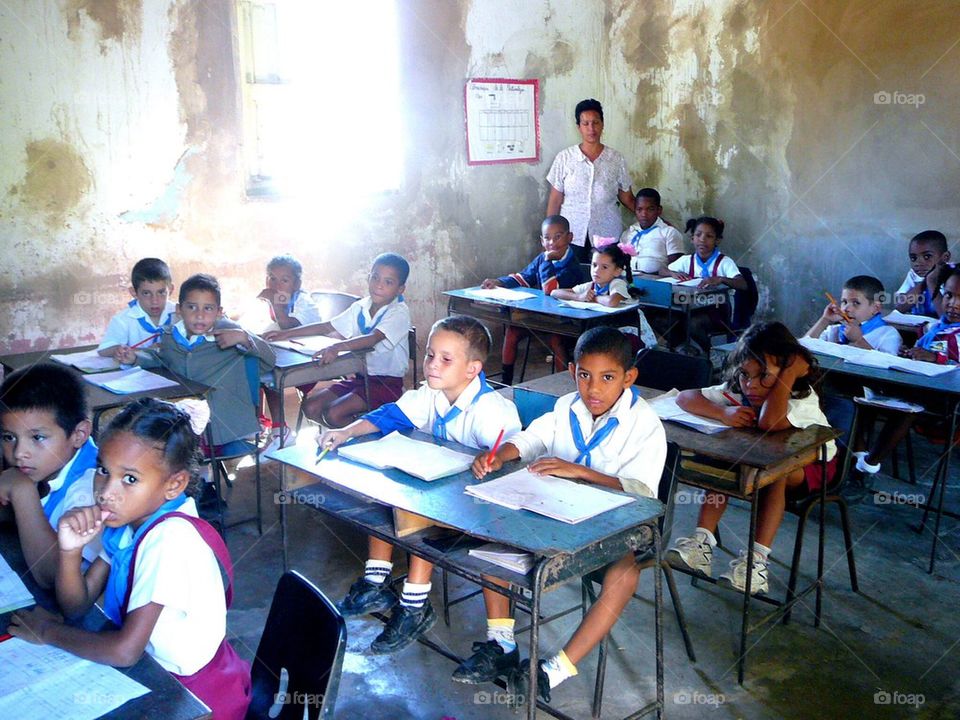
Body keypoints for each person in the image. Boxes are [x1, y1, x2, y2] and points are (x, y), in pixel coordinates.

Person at [7, 398, 251, 719]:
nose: (106, 491)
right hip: (156, 673)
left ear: (174, 484)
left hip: (196, 697)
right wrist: (69, 551)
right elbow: (77, 606)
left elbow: (125, 651)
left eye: (130, 479)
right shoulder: (131, 523)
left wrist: (49, 634)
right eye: (103, 470)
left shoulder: (169, 539)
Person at [461, 327, 666, 701]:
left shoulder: (645, 424)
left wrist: (582, 472)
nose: (593, 389)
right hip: (554, 519)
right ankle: (501, 643)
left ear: (629, 377)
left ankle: (554, 670)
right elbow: (530, 440)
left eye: (607, 378)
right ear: (573, 372)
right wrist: (498, 456)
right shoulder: (566, 406)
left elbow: (643, 492)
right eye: (584, 375)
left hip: (612, 528)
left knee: (625, 575)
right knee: (494, 538)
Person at [318, 316, 521, 653]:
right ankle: (377, 580)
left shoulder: (491, 410)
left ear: (472, 369)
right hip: (442, 501)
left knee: (417, 507)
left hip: (484, 512)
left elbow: (512, 458)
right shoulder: (431, 395)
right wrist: (346, 432)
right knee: (389, 487)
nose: (431, 366)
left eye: (445, 359)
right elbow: (388, 416)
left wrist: (493, 457)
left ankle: (414, 605)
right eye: (429, 355)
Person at [666, 321, 835, 596]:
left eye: (764, 376)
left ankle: (757, 563)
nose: (751, 385)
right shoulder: (738, 391)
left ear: (789, 372)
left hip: (813, 469)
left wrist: (789, 374)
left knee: (773, 473)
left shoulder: (801, 397)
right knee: (729, 461)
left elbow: (770, 422)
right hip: (754, 464)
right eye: (745, 374)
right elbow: (686, 397)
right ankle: (702, 543)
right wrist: (722, 414)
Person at [118, 273, 276, 452]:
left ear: (219, 312)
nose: (199, 315)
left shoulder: (229, 334)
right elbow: (162, 359)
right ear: (179, 309)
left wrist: (245, 338)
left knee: (187, 455)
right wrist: (135, 358)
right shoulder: (171, 335)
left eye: (208, 308)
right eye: (192, 307)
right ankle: (200, 474)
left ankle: (203, 471)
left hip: (224, 424)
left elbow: (269, 360)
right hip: (184, 421)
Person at [265, 253, 411, 427]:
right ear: (368, 278)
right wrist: (286, 334)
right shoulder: (361, 306)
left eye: (388, 282)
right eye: (375, 278)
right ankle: (348, 437)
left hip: (386, 384)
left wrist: (337, 347)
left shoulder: (399, 312)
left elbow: (374, 338)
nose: (379, 285)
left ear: (400, 289)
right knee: (310, 407)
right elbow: (328, 326)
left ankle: (366, 437)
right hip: (359, 379)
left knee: (334, 414)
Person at [0, 363, 98, 587]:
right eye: (8, 437)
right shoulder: (44, 465)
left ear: (79, 434)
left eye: (37, 438)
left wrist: (22, 491)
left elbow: (52, 579)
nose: (19, 453)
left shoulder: (92, 489)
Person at [481, 215, 586, 384]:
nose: (552, 243)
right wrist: (499, 282)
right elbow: (524, 277)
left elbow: (550, 289)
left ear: (570, 237)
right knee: (512, 331)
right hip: (543, 317)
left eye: (558, 237)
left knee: (555, 339)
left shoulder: (572, 264)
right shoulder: (542, 258)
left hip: (566, 321)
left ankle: (564, 384)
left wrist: (546, 260)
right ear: (542, 241)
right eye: (547, 238)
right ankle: (506, 381)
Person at [546, 99, 635, 262]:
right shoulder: (565, 158)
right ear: (578, 127)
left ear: (602, 124)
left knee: (605, 279)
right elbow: (555, 199)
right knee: (573, 280)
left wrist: (656, 220)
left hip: (607, 234)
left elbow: (627, 198)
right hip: (571, 234)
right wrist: (550, 237)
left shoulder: (616, 159)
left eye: (595, 122)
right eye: (585, 123)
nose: (591, 128)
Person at [258, 254, 322, 449]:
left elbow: (287, 325)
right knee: (252, 365)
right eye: (271, 277)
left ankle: (280, 431)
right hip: (286, 357)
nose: (276, 285)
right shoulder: (279, 299)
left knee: (268, 373)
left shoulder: (303, 301)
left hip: (310, 362)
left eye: (284, 280)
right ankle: (259, 423)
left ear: (297, 284)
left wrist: (275, 304)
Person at [660, 216, 747, 351]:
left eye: (709, 236)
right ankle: (682, 349)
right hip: (687, 308)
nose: (702, 239)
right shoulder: (687, 260)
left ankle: (706, 355)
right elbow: (662, 270)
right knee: (662, 320)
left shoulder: (723, 262)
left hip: (717, 312)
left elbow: (742, 284)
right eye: (698, 235)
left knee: (694, 323)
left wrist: (721, 279)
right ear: (692, 238)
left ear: (717, 240)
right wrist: (672, 274)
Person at [551, 239, 658, 349]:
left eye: (604, 267)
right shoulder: (591, 285)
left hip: (629, 335)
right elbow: (555, 292)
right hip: (607, 332)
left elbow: (612, 301)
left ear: (617, 271)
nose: (596, 271)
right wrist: (578, 297)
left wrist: (593, 298)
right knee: (560, 339)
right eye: (594, 265)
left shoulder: (617, 283)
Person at [97, 258, 175, 357]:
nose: (154, 300)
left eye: (161, 292)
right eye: (146, 293)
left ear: (171, 290)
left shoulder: (180, 314)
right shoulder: (123, 320)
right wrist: (118, 350)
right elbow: (103, 350)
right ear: (134, 292)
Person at [805, 275, 902, 354]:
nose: (846, 308)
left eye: (856, 303)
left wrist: (858, 340)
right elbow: (803, 348)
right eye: (844, 302)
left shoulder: (888, 335)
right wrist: (825, 320)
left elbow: (887, 367)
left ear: (875, 308)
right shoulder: (835, 330)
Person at [618, 188, 684, 274]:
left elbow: (676, 268)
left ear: (659, 210)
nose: (644, 214)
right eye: (639, 209)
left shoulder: (669, 233)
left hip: (658, 281)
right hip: (628, 280)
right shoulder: (628, 233)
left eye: (650, 209)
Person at [894, 230, 952, 317]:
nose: (917, 263)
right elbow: (900, 307)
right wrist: (924, 283)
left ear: (945, 257)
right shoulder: (913, 275)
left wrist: (931, 282)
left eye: (927, 256)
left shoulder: (954, 277)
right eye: (913, 258)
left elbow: (946, 317)